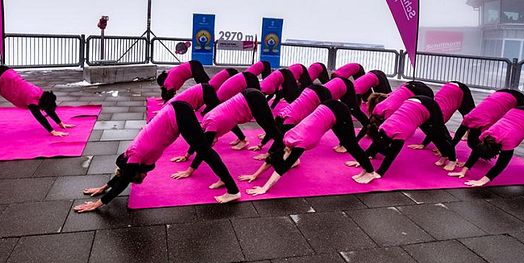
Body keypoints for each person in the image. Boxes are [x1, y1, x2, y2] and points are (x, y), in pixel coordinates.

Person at [73, 100, 240, 212]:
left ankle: (233, 190)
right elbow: (123, 173)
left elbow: (124, 179)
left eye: (140, 177)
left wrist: (98, 204)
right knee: (204, 149)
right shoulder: (133, 157)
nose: (144, 177)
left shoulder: (136, 154)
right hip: (176, 112)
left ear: (136, 169)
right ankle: (226, 181)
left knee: (205, 151)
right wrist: (104, 187)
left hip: (177, 113)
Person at [239, 99, 375, 195]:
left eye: (286, 152)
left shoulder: (299, 144)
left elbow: (282, 168)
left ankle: (370, 171)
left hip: (338, 111)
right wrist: (254, 175)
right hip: (326, 109)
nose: (285, 152)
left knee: (350, 144)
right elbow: (273, 158)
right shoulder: (287, 137)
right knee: (347, 143)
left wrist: (264, 188)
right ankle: (363, 164)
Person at [170, 88, 281, 179]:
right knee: (271, 129)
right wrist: (187, 155)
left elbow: (203, 150)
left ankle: (290, 155)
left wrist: (189, 171)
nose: (213, 143)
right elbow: (199, 142)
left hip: (253, 99)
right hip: (247, 96)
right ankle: (283, 149)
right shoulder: (205, 122)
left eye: (211, 141)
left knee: (273, 131)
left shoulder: (211, 125)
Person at [448, 106, 524, 186]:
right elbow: (476, 151)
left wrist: (483, 180)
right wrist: (464, 170)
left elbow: (501, 164)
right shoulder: (485, 135)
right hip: (517, 114)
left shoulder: (508, 141)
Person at [362, 95, 459, 183]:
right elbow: (376, 143)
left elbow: (391, 155)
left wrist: (379, 173)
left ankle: (452, 159)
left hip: (429, 105)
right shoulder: (382, 128)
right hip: (412, 103)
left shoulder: (400, 134)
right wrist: (363, 159)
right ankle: (444, 155)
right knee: (430, 132)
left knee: (439, 133)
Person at [453, 88, 524, 162]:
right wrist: (448, 150)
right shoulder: (469, 118)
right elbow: (458, 134)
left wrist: (467, 164)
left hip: (516, 97)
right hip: (499, 94)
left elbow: (460, 135)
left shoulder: (488, 128)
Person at [410, 81, 475, 152]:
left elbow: (438, 132)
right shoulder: (430, 112)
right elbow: (432, 130)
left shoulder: (440, 116)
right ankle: (468, 132)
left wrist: (447, 148)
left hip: (460, 89)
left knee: (470, 116)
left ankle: (468, 132)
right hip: (450, 89)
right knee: (465, 113)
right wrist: (423, 144)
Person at [364, 80, 434, 138]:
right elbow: (369, 123)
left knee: (425, 120)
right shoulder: (378, 107)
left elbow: (390, 130)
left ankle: (434, 142)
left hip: (423, 93)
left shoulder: (389, 111)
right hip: (410, 85)